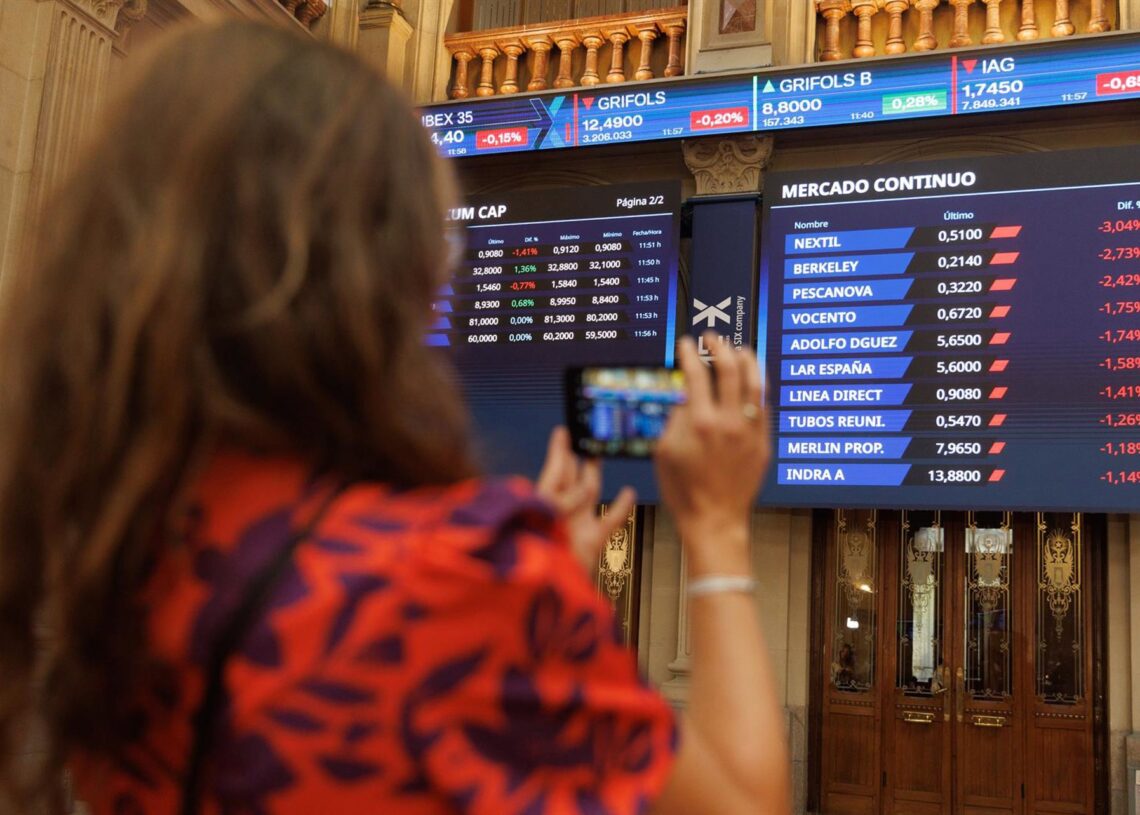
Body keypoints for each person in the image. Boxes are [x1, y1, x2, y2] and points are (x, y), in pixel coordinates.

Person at [0, 20, 790, 815]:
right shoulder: (460, 580)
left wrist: (539, 594)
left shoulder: (97, 556)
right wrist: (714, 528)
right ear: (389, 276)